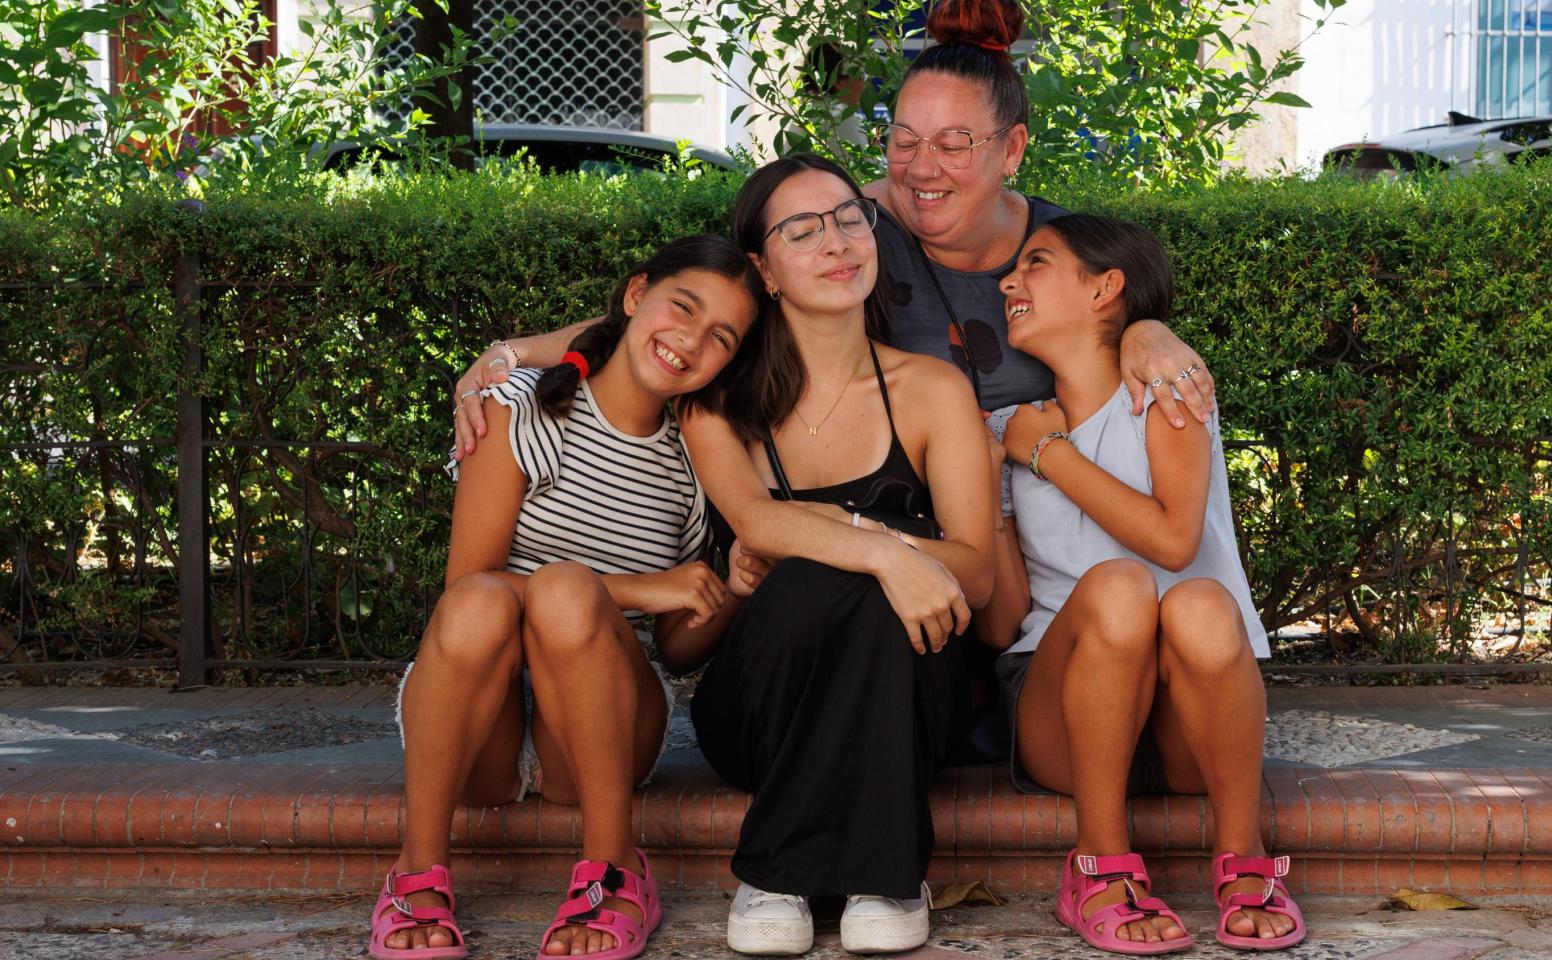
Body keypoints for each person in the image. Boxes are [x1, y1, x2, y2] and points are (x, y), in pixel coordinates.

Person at [446, 0, 1217, 459]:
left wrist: (1145, 331)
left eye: (955, 143)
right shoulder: (849, 233)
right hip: (898, 515)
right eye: (903, 139)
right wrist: (513, 353)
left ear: (1011, 150)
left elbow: (1123, 312)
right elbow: (692, 311)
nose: (922, 168)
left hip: (1049, 534)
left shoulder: (1063, 247)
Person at [372, 236, 768, 960]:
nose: (690, 340)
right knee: (501, 598)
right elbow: (467, 586)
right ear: (635, 295)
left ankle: (615, 869)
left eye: (721, 337)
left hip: (601, 727)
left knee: (564, 592)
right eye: (683, 307)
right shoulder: (521, 408)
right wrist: (639, 588)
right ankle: (417, 867)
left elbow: (676, 650)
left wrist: (735, 589)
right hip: (478, 718)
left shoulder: (693, 458)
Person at [679, 153, 995, 955]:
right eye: (802, 230)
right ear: (763, 269)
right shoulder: (719, 401)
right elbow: (757, 523)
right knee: (809, 583)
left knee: (857, 594)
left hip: (905, 703)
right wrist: (890, 554)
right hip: (763, 705)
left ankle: (793, 874)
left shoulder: (933, 389)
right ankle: (869, 869)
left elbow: (979, 574)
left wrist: (868, 547)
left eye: (851, 217)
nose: (837, 241)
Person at [977, 214, 1305, 954]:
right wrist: (992, 494)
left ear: (1106, 289)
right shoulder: (1006, 430)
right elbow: (1001, 625)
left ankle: (1245, 858)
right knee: (1120, 589)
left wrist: (1049, 455)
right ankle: (1097, 866)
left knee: (1197, 600)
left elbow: (1173, 540)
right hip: (1064, 716)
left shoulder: (1170, 395)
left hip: (1191, 718)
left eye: (1035, 263)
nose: (1008, 282)